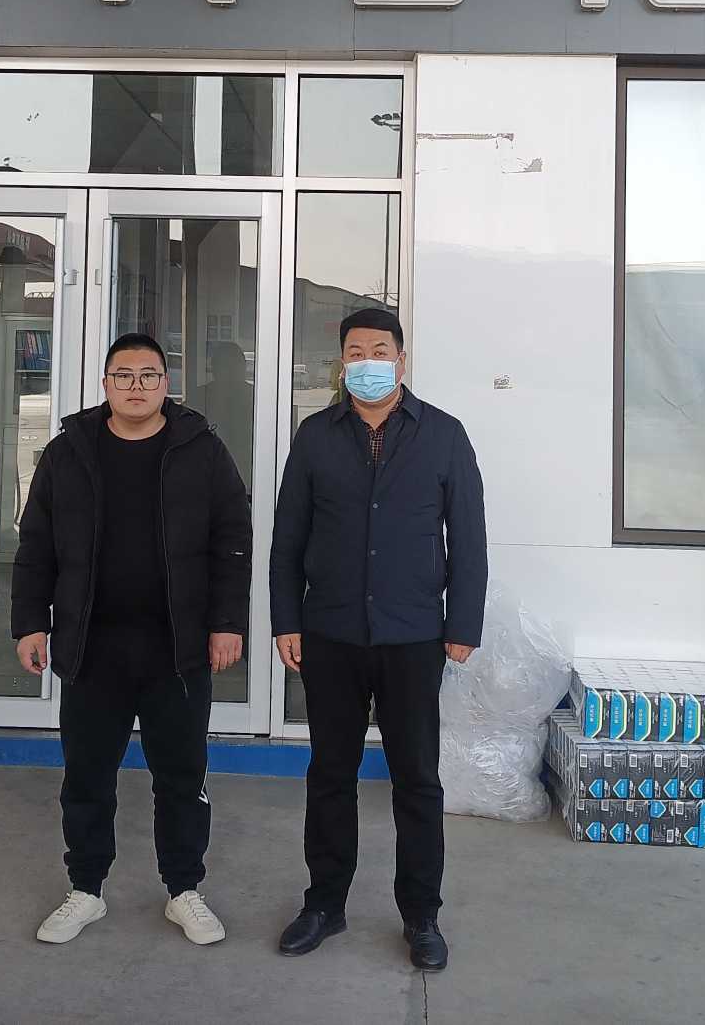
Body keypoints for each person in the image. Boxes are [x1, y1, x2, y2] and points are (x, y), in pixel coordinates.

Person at [11, 333, 252, 947]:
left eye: (149, 375)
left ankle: (184, 889)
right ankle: (86, 889)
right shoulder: (70, 452)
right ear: (106, 384)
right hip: (92, 647)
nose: (136, 386)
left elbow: (232, 539)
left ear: (166, 384)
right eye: (124, 375)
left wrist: (227, 622)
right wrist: (31, 621)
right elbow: (36, 544)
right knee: (87, 775)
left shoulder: (200, 449)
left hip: (177, 647)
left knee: (182, 773)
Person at [269, 308, 486, 972]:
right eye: (356, 352)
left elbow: (468, 536)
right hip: (330, 632)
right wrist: (286, 619)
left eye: (380, 350)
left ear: (401, 360)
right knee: (330, 773)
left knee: (416, 778)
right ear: (342, 364)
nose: (368, 361)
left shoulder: (443, 434)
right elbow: (288, 537)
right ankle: (324, 904)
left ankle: (422, 915)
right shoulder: (316, 436)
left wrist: (462, 625)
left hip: (413, 636)